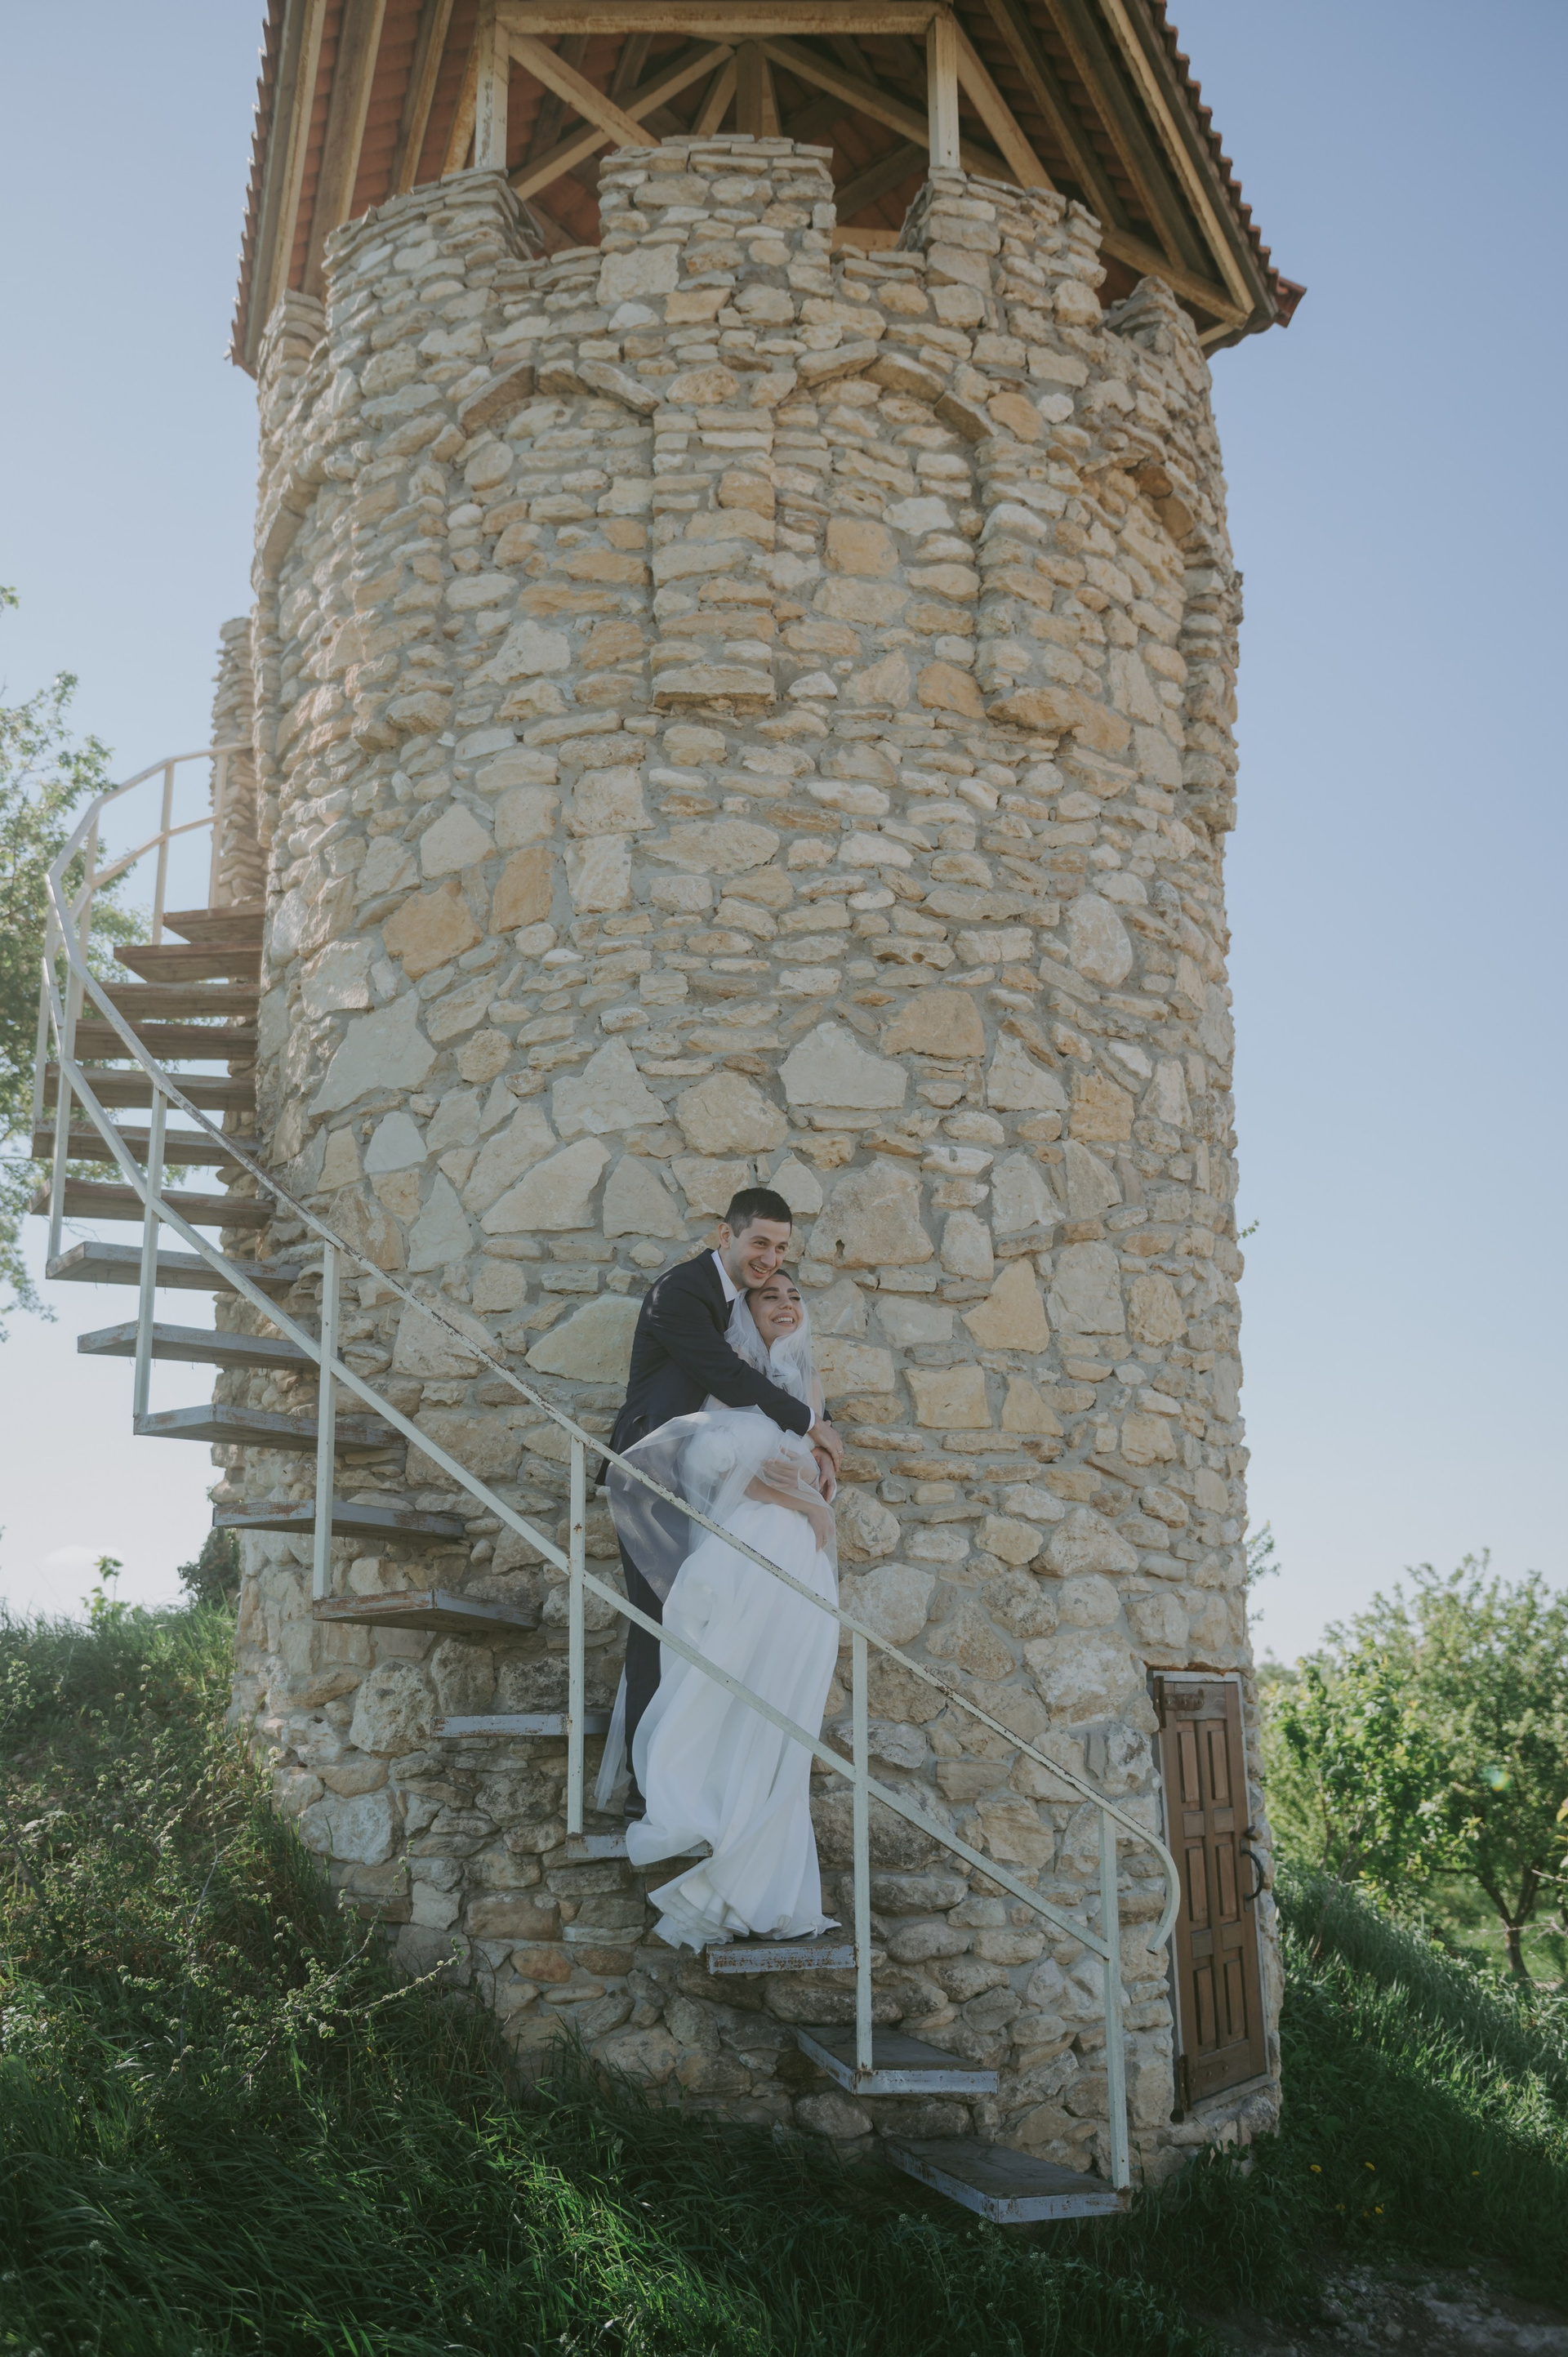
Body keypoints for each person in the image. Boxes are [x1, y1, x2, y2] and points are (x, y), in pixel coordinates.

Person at [601, 1269, 840, 1950]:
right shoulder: (726, 1378)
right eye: (770, 1296)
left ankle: (769, 1877)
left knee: (784, 1711)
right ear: (746, 1311)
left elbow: (817, 1468)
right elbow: (733, 1473)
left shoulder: (811, 1390)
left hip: (803, 1564)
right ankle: (714, 1825)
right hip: (747, 1553)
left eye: (795, 1296)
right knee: (730, 1687)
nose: (786, 1305)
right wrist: (811, 1508)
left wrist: (821, 1484)